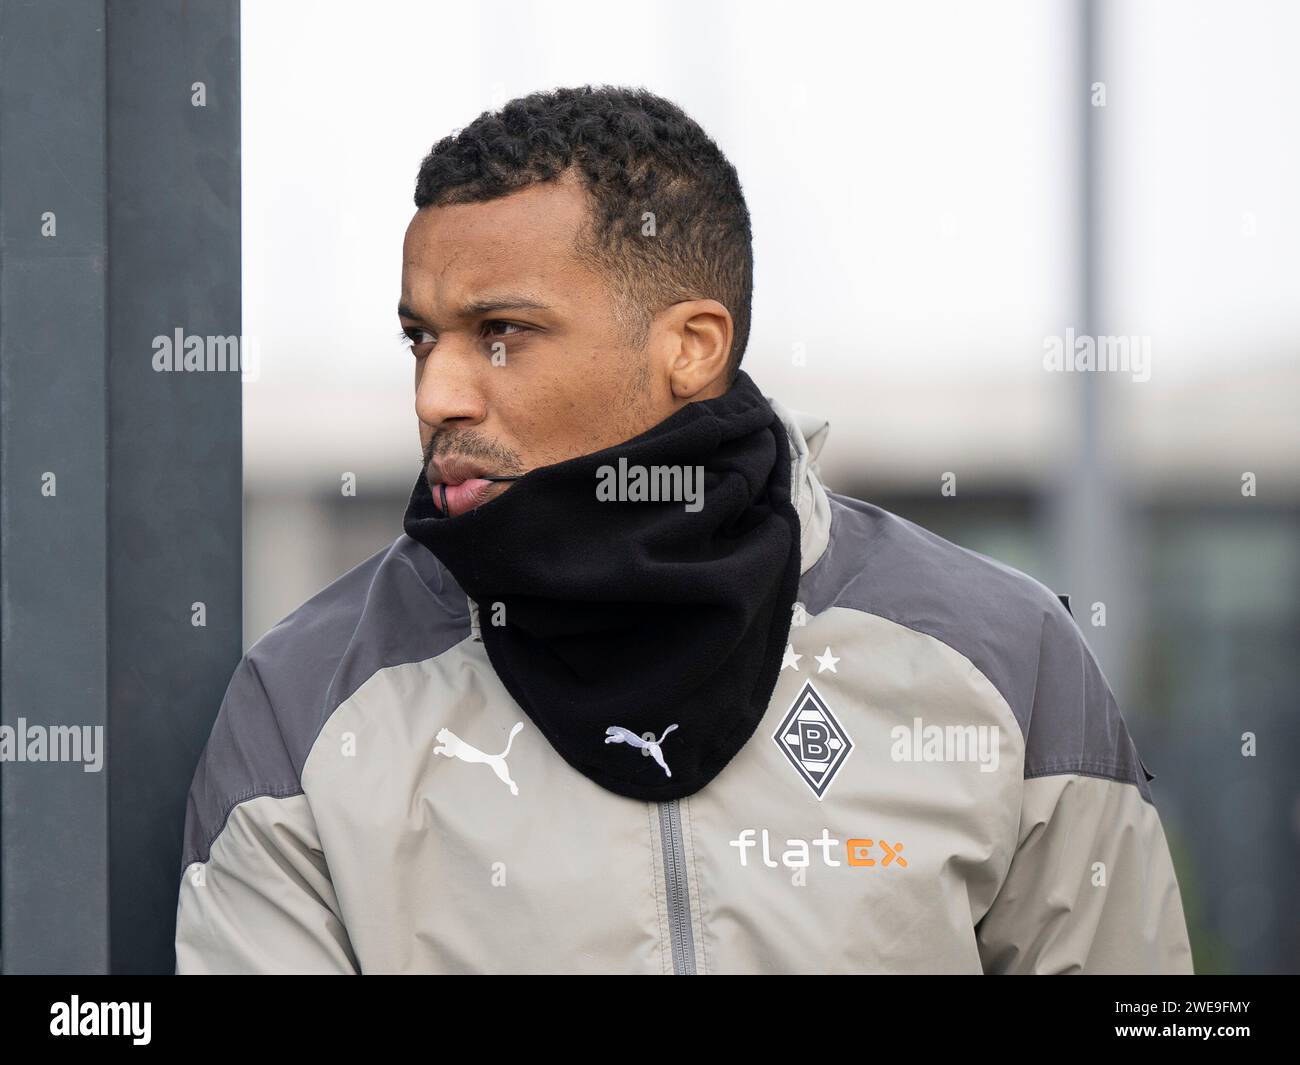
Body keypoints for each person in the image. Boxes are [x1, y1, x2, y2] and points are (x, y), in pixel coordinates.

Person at [174, 85, 1193, 974]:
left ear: (692, 348)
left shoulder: (1001, 663)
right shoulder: (305, 707)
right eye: (421, 339)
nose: (437, 393)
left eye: (501, 335)